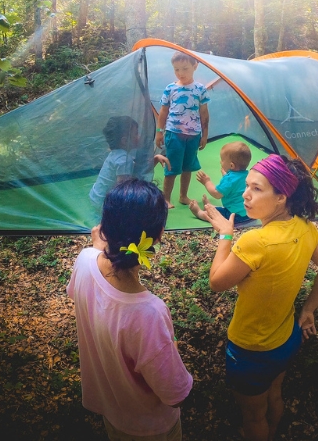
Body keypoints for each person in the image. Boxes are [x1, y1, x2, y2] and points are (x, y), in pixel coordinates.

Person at [202, 154, 318, 441]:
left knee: (253, 416)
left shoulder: (256, 241)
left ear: (281, 197)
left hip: (251, 350)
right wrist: (309, 310)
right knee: (274, 393)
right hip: (286, 338)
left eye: (256, 188)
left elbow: (216, 282)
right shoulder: (305, 227)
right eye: (247, 185)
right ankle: (275, 430)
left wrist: (225, 236)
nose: (245, 194)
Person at [68, 179, 193, 440]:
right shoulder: (148, 313)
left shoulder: (84, 260)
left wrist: (95, 247)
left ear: (104, 228)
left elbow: (88, 278)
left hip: (112, 415)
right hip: (151, 429)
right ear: (158, 234)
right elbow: (175, 395)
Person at [155, 51, 210, 208]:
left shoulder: (200, 89)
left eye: (185, 69)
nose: (181, 73)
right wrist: (159, 132)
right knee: (171, 167)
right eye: (177, 69)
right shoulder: (170, 89)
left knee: (188, 167)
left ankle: (183, 195)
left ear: (195, 66)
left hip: (193, 135)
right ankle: (166, 198)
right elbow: (163, 112)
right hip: (174, 134)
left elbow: (204, 113)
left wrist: (205, 135)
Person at [89, 116, 170, 212]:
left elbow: (137, 170)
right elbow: (123, 190)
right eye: (136, 134)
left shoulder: (117, 153)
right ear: (124, 141)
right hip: (103, 204)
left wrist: (155, 159)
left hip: (96, 196)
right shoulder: (124, 160)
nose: (139, 136)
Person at [188, 141, 252, 225]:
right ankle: (210, 206)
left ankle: (199, 213)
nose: (220, 162)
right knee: (226, 207)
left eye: (222, 160)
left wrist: (207, 182)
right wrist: (225, 175)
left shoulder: (229, 180)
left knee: (216, 216)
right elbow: (235, 184)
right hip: (249, 213)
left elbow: (216, 194)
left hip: (234, 216)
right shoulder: (248, 175)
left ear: (231, 166)